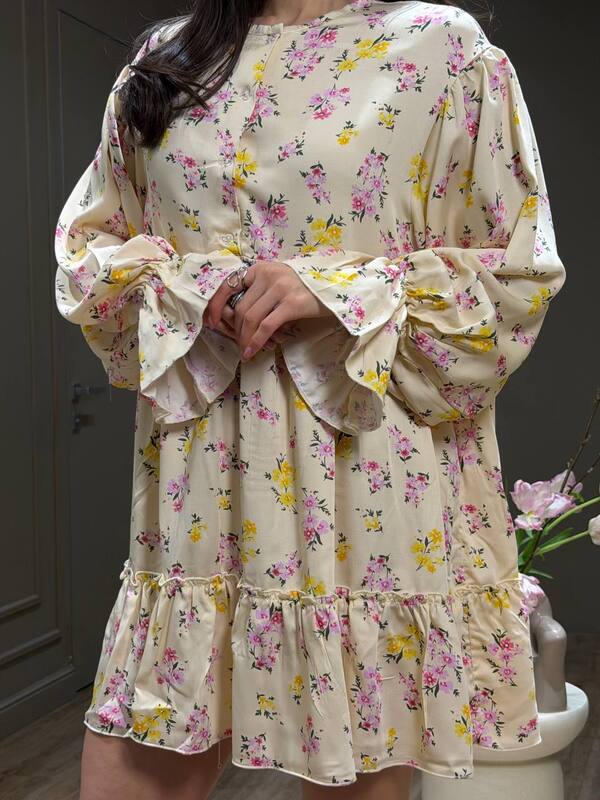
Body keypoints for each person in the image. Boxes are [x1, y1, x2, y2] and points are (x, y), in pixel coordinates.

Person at [53, 1, 567, 798]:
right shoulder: (167, 55)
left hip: (367, 493)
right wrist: (190, 286)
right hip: (197, 504)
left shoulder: (442, 49)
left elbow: (515, 280)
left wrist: (342, 290)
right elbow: (91, 260)